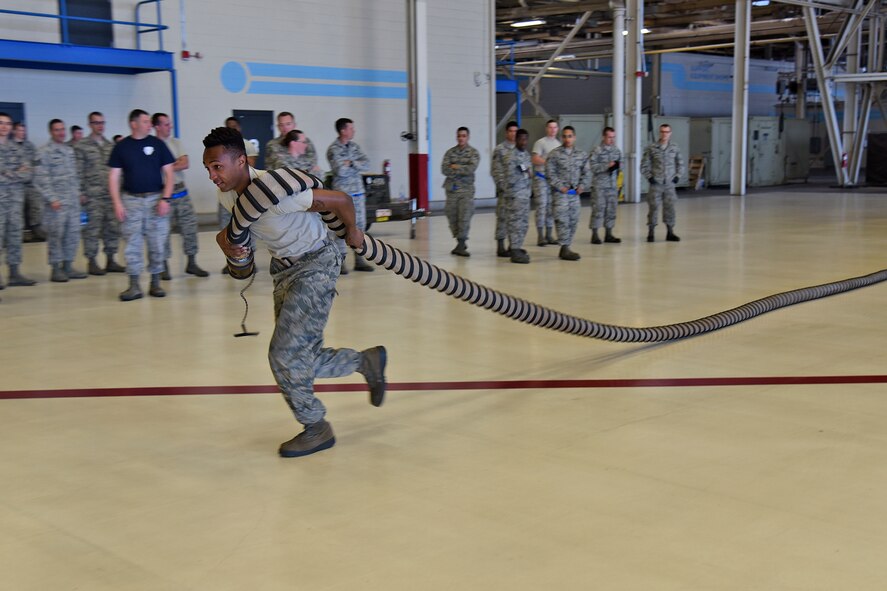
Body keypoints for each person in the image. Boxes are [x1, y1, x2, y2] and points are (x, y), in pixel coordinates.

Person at [203, 126, 387, 458]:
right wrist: (233, 250)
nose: (212, 176)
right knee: (301, 355)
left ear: (241, 161)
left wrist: (353, 230)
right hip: (283, 269)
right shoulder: (227, 195)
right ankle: (365, 361)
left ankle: (316, 427)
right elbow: (246, 241)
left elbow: (341, 199)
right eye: (208, 169)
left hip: (317, 263)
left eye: (217, 167)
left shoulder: (275, 192)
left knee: (284, 355)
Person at [108, 109, 175, 301]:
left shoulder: (158, 144)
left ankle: (155, 283)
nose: (149, 125)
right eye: (145, 121)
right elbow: (113, 177)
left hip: (155, 199)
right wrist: (117, 203)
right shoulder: (122, 147)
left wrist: (165, 199)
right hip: (131, 201)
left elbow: (169, 173)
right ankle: (134, 285)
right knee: (132, 244)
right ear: (134, 124)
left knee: (157, 243)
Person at [152, 112, 208, 279]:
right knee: (162, 231)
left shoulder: (176, 143)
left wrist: (165, 166)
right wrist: (173, 164)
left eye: (170, 124)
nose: (170, 127)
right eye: (166, 124)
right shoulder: (152, 145)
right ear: (157, 127)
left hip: (181, 192)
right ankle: (163, 266)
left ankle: (191, 263)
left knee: (189, 227)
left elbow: (185, 163)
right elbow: (152, 167)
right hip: (163, 193)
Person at [34, 119, 87, 282]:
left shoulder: (69, 151)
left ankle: (68, 266)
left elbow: (74, 176)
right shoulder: (44, 152)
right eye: (57, 130)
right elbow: (40, 179)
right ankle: (56, 268)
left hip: (72, 202)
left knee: (72, 234)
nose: (61, 133)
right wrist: (52, 198)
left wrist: (79, 193)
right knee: (56, 236)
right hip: (56, 204)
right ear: (51, 132)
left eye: (63, 129)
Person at [75, 111, 124, 275]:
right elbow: (78, 171)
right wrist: (80, 192)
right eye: (96, 123)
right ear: (90, 125)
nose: (100, 126)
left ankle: (111, 259)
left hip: (109, 195)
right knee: (92, 229)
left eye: (102, 122)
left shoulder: (110, 146)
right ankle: (92, 261)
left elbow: (117, 170)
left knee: (112, 227)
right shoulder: (82, 146)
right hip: (92, 195)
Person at [327, 117, 373, 273]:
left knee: (359, 227)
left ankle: (360, 260)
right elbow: (340, 170)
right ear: (343, 131)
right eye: (351, 128)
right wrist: (354, 165)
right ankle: (341, 262)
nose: (354, 131)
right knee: (342, 228)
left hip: (358, 195)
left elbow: (367, 163)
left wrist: (351, 162)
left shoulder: (354, 147)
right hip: (343, 197)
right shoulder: (333, 149)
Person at [0, 112, 37, 289]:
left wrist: (6, 173)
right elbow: (21, 174)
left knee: (15, 236)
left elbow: (29, 173)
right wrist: (16, 173)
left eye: (7, 123)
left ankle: (14, 273)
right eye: (1, 123)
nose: (4, 127)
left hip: (15, 201)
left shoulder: (18, 149)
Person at [545, 126, 590, 261]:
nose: (567, 139)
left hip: (574, 194)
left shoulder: (581, 154)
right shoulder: (554, 154)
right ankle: (564, 248)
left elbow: (587, 172)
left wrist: (582, 186)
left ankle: (567, 246)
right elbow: (550, 173)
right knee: (562, 220)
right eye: (564, 136)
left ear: (574, 137)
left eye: (570, 136)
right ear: (561, 137)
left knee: (573, 221)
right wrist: (560, 186)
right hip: (560, 194)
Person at [440, 126, 480, 257]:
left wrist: (455, 166)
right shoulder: (450, 152)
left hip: (466, 190)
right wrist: (462, 168)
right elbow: (444, 169)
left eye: (464, 136)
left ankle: (461, 243)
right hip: (452, 190)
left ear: (468, 137)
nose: (461, 138)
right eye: (459, 136)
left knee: (464, 216)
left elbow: (471, 169)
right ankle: (459, 241)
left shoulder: (473, 153)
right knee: (451, 215)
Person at [641, 123, 684, 242]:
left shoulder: (674, 148)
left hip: (669, 184)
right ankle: (651, 232)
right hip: (656, 184)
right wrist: (649, 177)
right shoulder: (652, 148)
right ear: (659, 133)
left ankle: (670, 232)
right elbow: (644, 165)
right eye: (662, 132)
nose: (664, 134)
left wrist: (677, 177)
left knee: (670, 208)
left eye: (667, 132)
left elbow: (680, 164)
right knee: (653, 208)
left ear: (670, 133)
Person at [501, 129, 534, 264]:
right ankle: (514, 251)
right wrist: (525, 173)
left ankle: (516, 246)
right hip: (515, 196)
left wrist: (526, 173)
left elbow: (530, 173)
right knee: (515, 223)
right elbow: (510, 178)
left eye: (526, 139)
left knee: (523, 224)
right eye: (521, 139)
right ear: (516, 140)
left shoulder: (526, 155)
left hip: (524, 195)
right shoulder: (510, 156)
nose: (524, 142)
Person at [588, 126, 622, 245]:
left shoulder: (616, 151)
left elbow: (620, 166)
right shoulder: (596, 150)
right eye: (609, 137)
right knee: (598, 209)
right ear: (603, 137)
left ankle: (609, 234)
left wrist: (617, 168)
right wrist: (607, 165)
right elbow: (593, 167)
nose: (612, 140)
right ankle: (595, 235)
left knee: (611, 210)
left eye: (613, 137)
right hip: (599, 186)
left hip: (612, 186)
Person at [13, 122, 45, 242]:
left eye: (23, 130)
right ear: (14, 131)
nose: (22, 133)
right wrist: (17, 169)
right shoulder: (9, 146)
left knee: (36, 206)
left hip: (31, 182)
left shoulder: (29, 145)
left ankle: (36, 229)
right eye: (20, 130)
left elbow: (37, 161)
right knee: (18, 209)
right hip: (16, 184)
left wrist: (33, 168)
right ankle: (21, 231)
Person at [531, 119, 560, 246]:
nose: (553, 130)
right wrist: (548, 163)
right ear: (546, 128)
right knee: (541, 206)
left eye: (555, 127)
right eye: (550, 127)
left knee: (550, 208)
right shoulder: (540, 143)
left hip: (552, 180)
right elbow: (535, 159)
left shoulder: (558, 144)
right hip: (541, 178)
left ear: (557, 129)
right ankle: (540, 236)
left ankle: (549, 235)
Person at [491, 121, 518, 257]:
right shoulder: (500, 149)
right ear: (506, 132)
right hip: (505, 191)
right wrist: (503, 187)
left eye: (515, 131)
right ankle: (500, 246)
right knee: (502, 218)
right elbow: (496, 170)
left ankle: (514, 245)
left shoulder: (520, 149)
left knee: (516, 219)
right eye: (511, 131)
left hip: (518, 192)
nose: (513, 134)